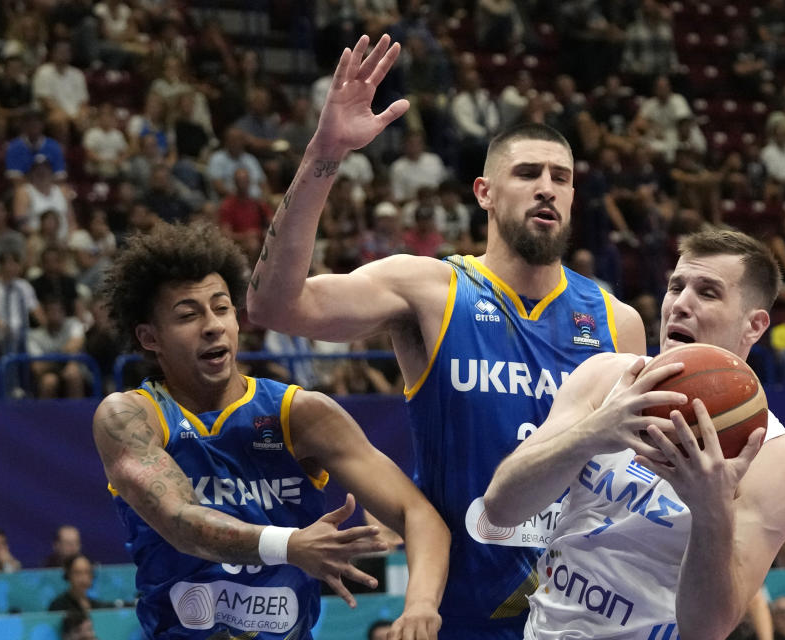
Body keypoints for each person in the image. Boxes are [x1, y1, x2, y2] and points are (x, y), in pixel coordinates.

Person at [246, 35, 645, 638]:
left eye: (561, 177)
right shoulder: (430, 289)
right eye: (528, 173)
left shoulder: (618, 321)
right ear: (484, 192)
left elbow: (628, 486)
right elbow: (275, 304)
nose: (547, 187)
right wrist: (325, 153)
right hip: (458, 613)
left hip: (583, 618)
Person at [93, 222, 448, 640]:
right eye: (188, 315)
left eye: (222, 308)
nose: (213, 325)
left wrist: (421, 605)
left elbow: (419, 514)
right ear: (150, 337)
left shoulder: (299, 413)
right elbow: (180, 522)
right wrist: (291, 545)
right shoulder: (131, 417)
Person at [484, 229, 785, 638]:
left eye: (707, 293)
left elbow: (705, 630)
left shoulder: (777, 459)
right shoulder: (605, 377)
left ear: (754, 326)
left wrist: (711, 509)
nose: (680, 305)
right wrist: (593, 432)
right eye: (676, 286)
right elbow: (500, 508)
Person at [48, 553, 115, 613]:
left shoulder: (96, 605)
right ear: (68, 575)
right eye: (78, 573)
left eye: (87, 572)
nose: (83, 579)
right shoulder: (58, 606)